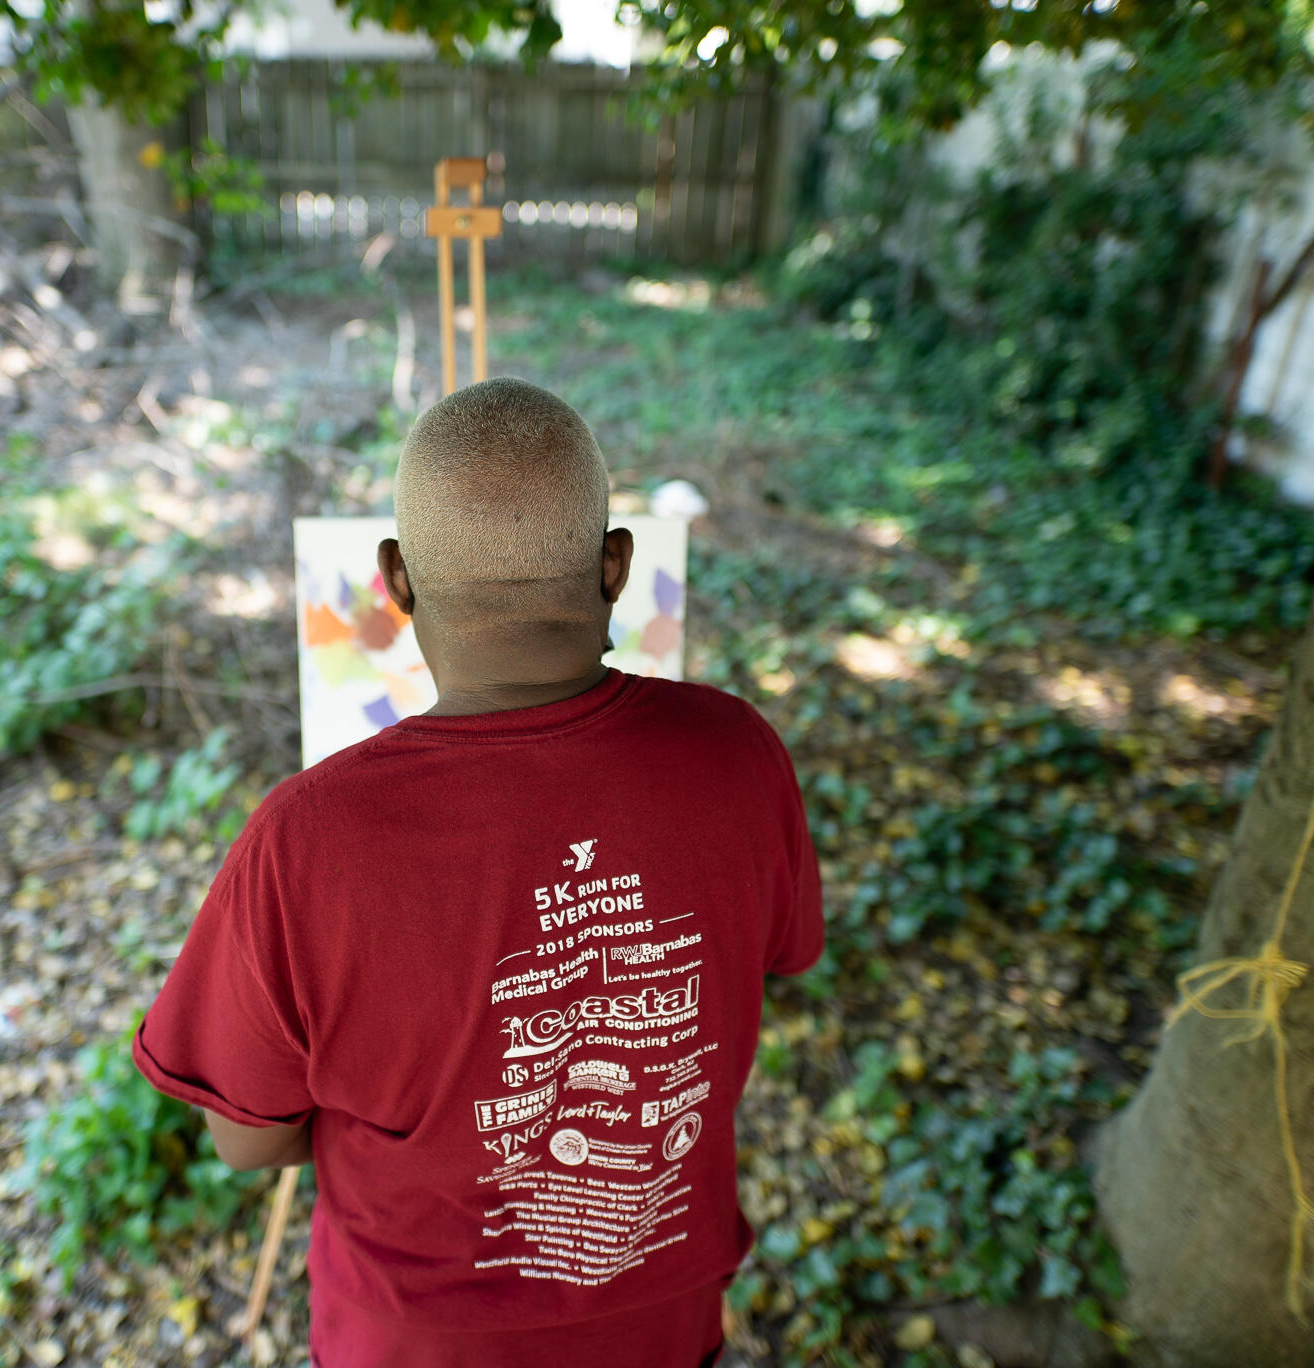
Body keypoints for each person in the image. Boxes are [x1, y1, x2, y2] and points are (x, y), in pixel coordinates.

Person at [131, 376, 826, 1367]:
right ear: (614, 567)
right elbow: (773, 959)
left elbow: (244, 1140)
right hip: (661, 1326)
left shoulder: (302, 843)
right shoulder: (737, 754)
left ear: (394, 581)